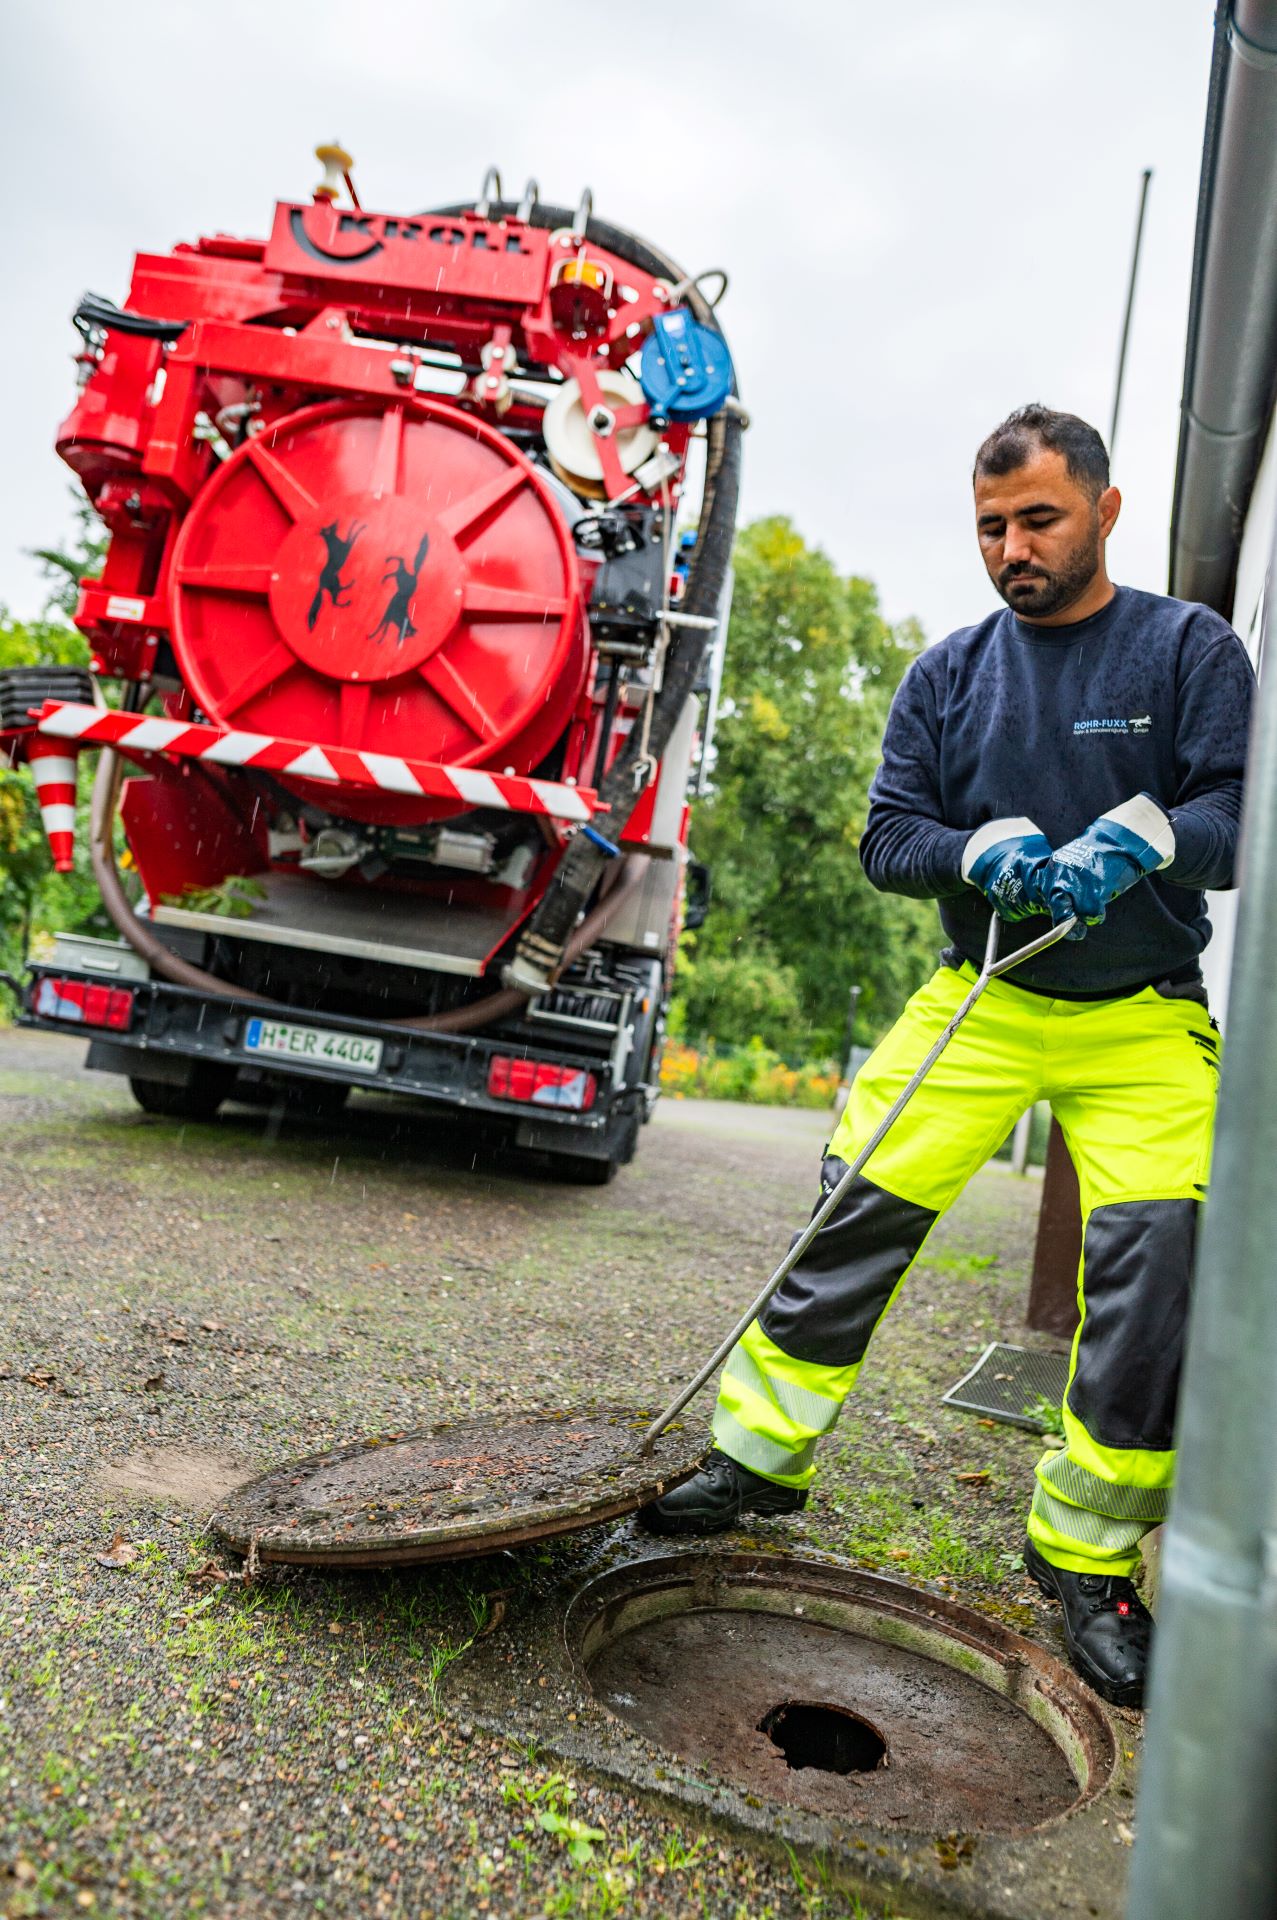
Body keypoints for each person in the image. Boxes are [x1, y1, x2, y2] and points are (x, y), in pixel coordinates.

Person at [640, 405, 1255, 1707]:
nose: (1011, 548)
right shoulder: (946, 676)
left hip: (1140, 1012)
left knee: (1160, 1264)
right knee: (849, 1207)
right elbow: (887, 840)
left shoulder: (1186, 649)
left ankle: (1083, 1559)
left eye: (1037, 518)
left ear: (1103, 508)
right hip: (974, 995)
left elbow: (1237, 813)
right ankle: (756, 1459)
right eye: (989, 526)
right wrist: (973, 852)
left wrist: (1142, 833)